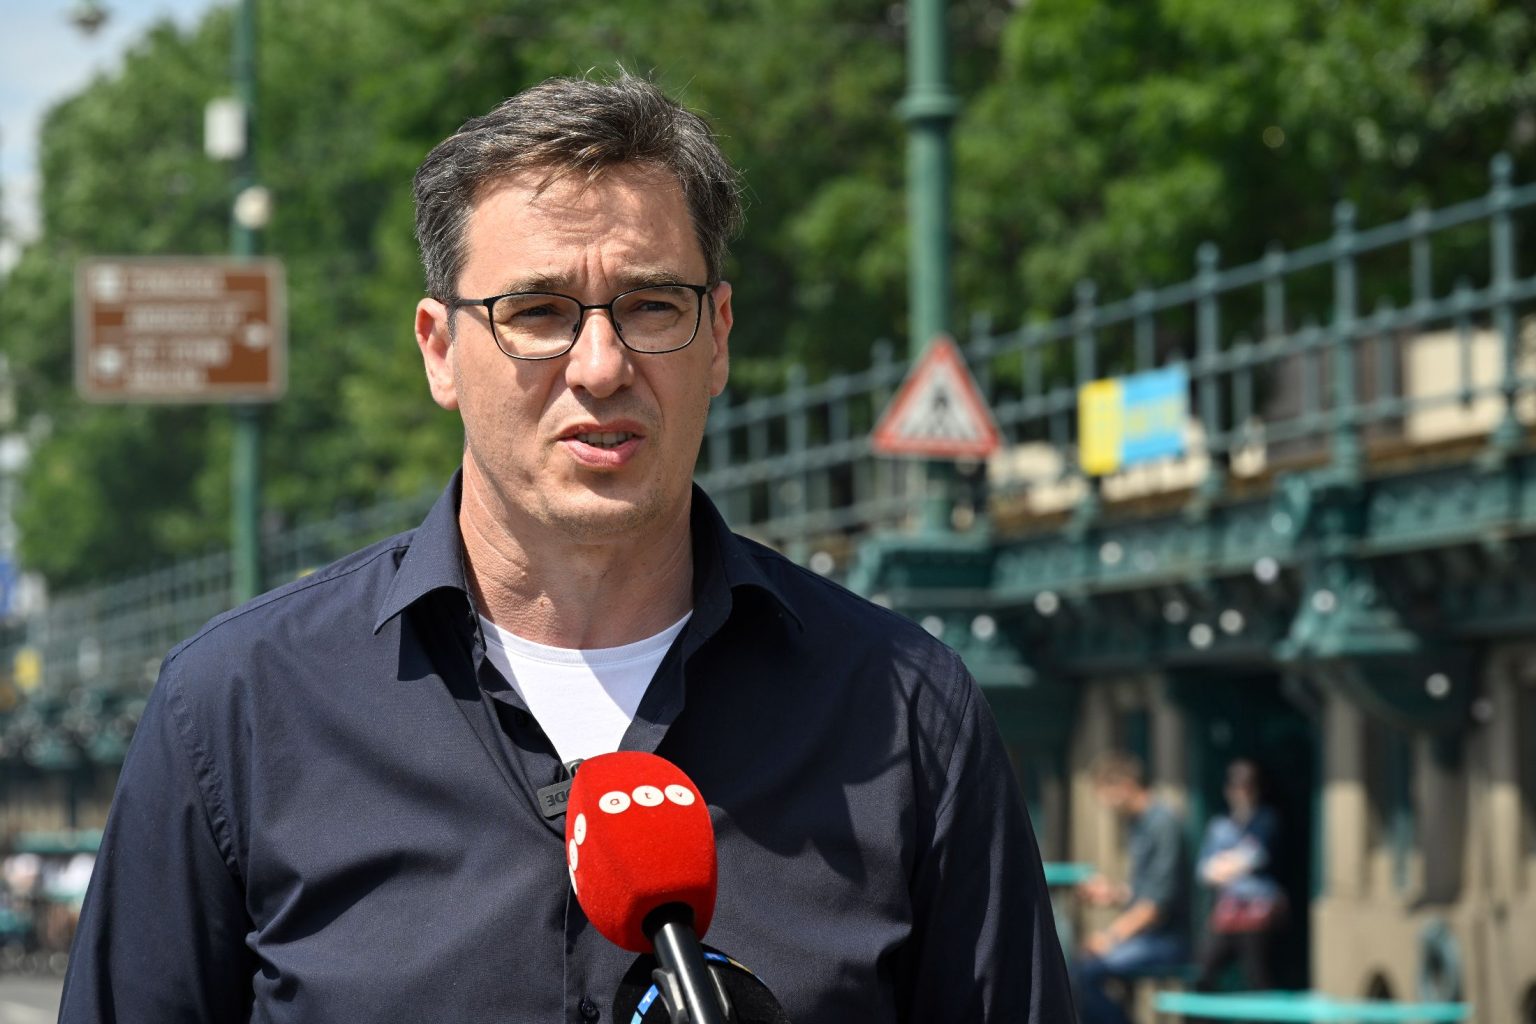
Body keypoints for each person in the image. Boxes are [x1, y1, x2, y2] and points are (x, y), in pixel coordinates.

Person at [58, 73, 1073, 1023]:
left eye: (652, 306)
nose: (600, 365)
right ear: (440, 350)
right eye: (537, 313)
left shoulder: (907, 714)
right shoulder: (237, 708)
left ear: (719, 336)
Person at [1071, 751, 1189, 1024]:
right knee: (1079, 967)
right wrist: (1112, 894)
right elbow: (1145, 892)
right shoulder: (1138, 825)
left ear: (1125, 786)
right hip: (1146, 938)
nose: (1105, 805)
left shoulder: (1162, 823)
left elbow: (1156, 906)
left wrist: (1109, 937)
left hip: (1168, 940)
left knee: (1087, 972)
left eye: (1105, 795)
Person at [1192, 759, 1284, 992]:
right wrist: (1233, 863)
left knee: (1256, 976)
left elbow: (1255, 857)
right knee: (1202, 971)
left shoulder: (1266, 819)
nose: (1241, 793)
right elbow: (1204, 871)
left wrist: (1227, 863)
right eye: (1236, 787)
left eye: (1247, 787)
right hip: (1227, 911)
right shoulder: (1219, 826)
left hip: (1257, 912)